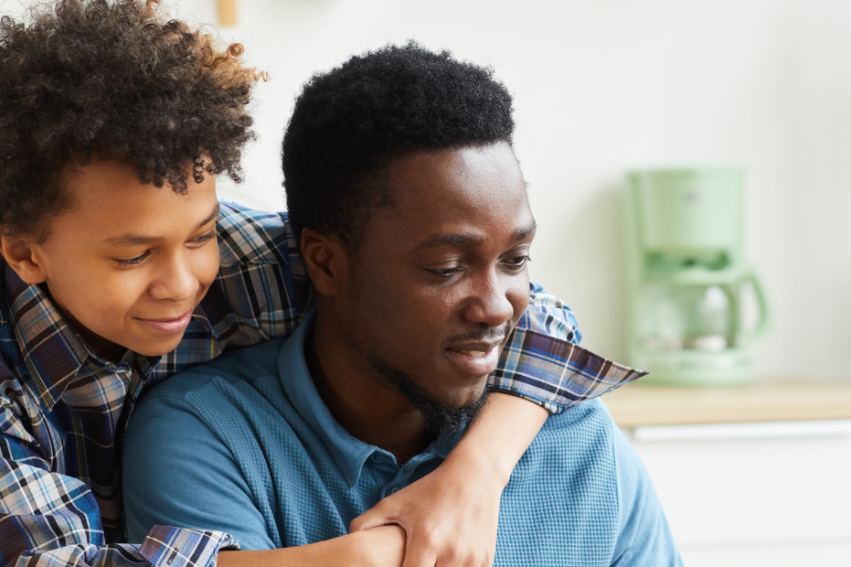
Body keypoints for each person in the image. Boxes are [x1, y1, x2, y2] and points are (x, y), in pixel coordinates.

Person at [0, 2, 643, 567]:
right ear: (25, 253)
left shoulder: (250, 260)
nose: (183, 283)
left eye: (199, 234)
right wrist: (357, 559)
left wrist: (475, 474)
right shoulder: (180, 426)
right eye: (133, 256)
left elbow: (529, 316)